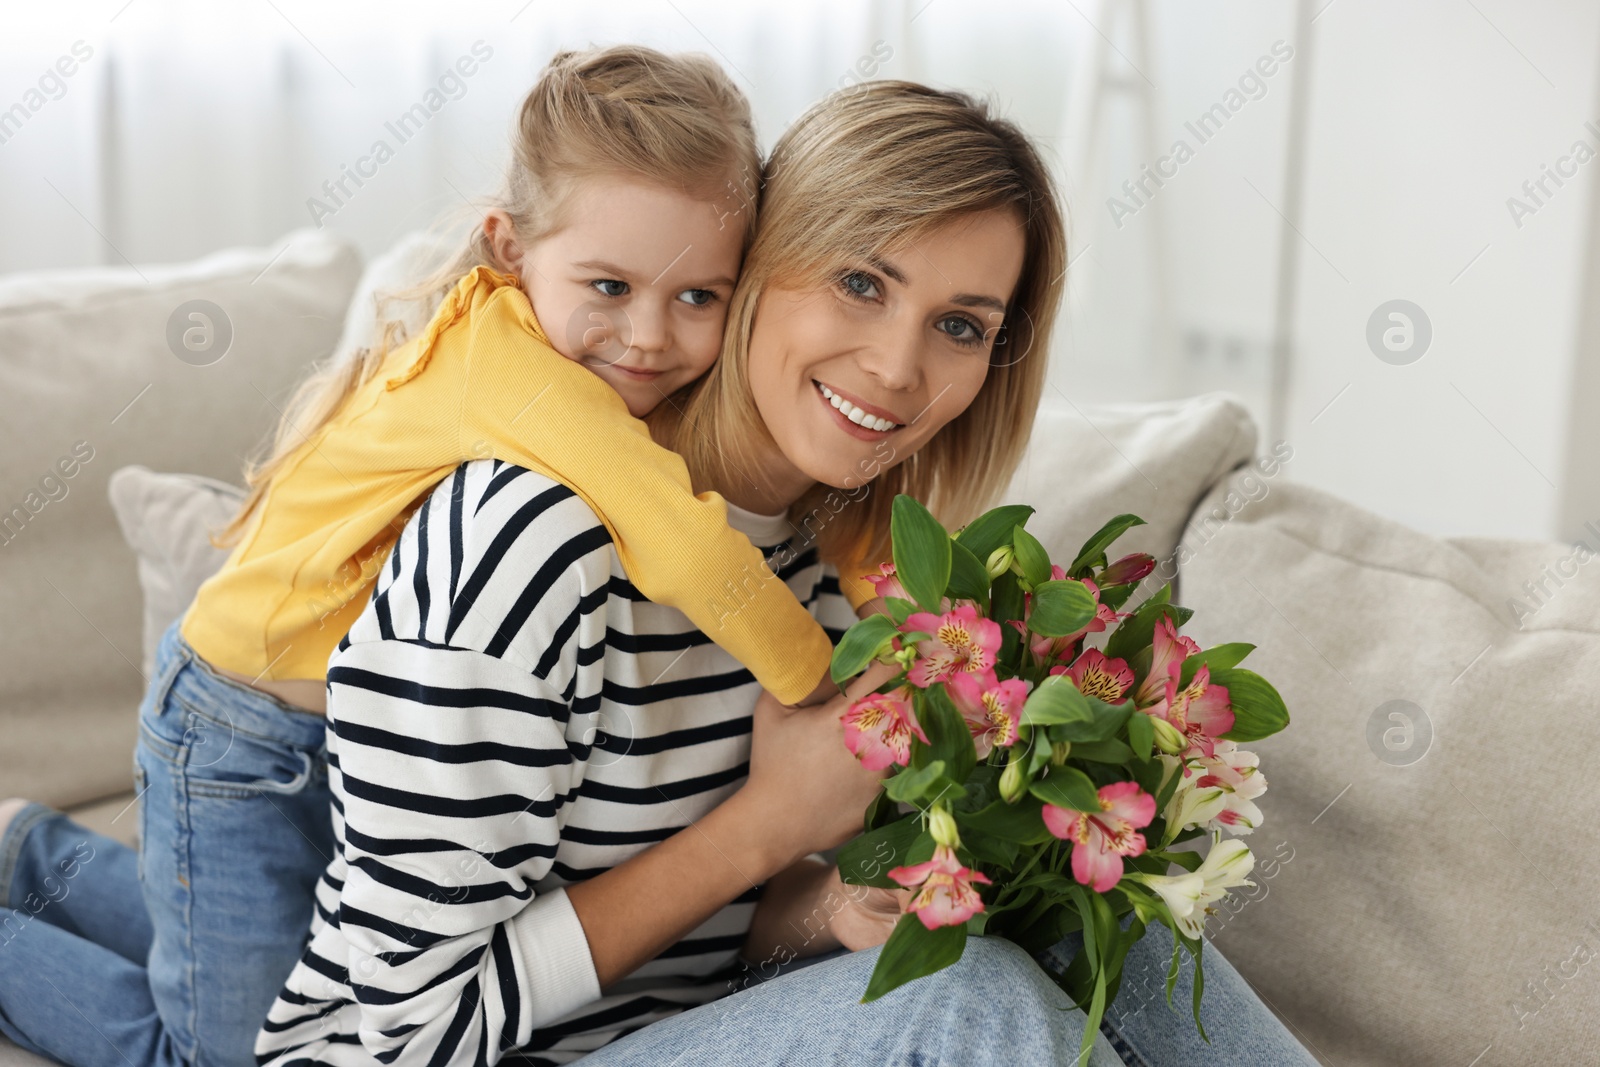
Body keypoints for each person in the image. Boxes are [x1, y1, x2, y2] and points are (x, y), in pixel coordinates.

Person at [247, 79, 1320, 1066]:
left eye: (958, 326)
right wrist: (763, 825)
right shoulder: (522, 540)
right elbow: (400, 1030)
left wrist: (828, 911)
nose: (899, 368)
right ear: (755, 263)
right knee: (970, 1002)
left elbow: (709, 956)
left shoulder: (823, 584)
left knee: (1086, 925)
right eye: (860, 282)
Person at [0, 45, 843, 1067]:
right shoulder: (528, 382)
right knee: (219, 1053)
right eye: (609, 284)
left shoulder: (537, 353)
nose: (648, 336)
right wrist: (825, 686)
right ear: (509, 247)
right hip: (240, 730)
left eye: (698, 296)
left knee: (272, 973)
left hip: (337, 739)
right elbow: (675, 538)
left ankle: (26, 851)